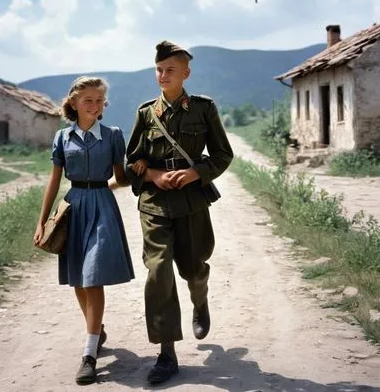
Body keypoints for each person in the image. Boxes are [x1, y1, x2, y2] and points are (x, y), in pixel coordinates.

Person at [125, 40, 234, 385]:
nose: (162, 75)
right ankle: (166, 353)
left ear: (185, 73)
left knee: (193, 266)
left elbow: (221, 154)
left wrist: (193, 173)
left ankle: (199, 301)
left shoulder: (203, 109)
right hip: (155, 203)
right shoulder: (146, 113)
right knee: (158, 271)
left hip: (190, 201)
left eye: (170, 70)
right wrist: (153, 174)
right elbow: (132, 162)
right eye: (158, 69)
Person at [33, 76, 135, 385]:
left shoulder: (114, 136)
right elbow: (54, 180)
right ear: (75, 103)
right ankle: (98, 330)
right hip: (73, 207)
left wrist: (137, 171)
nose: (93, 105)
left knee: (93, 277)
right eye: (87, 100)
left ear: (105, 104)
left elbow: (122, 177)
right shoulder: (63, 138)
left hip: (103, 205)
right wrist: (42, 219)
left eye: (98, 100)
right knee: (78, 277)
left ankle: (89, 354)